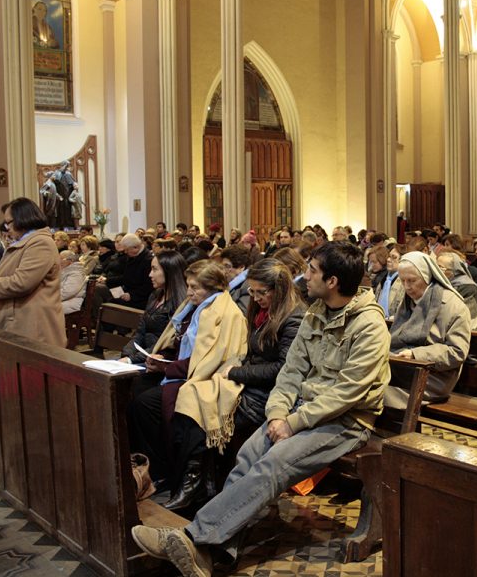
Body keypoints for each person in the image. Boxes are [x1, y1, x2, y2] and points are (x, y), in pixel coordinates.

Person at [131, 242, 391, 575]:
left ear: (333, 281)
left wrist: (293, 422)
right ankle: (211, 554)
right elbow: (291, 373)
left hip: (347, 421)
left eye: (312, 270)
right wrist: (278, 413)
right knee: (249, 455)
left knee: (274, 464)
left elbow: (347, 393)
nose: (305, 275)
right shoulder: (316, 313)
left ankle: (191, 537)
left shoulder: (369, 325)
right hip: (301, 412)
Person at [163, 258, 306, 511]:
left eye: (261, 292)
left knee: (205, 412)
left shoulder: (293, 319)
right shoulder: (262, 311)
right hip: (250, 383)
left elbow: (282, 369)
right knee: (192, 396)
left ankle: (199, 486)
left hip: (270, 394)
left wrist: (237, 372)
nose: (255, 297)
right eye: (252, 291)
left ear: (279, 290)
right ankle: (199, 483)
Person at [128, 260, 248, 488]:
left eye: (195, 287)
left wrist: (166, 367)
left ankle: (170, 473)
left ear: (213, 287)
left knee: (149, 404)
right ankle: (147, 466)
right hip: (181, 369)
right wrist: (162, 357)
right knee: (135, 391)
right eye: (189, 285)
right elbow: (179, 341)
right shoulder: (193, 306)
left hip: (204, 377)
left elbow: (210, 359)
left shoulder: (224, 312)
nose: (189, 292)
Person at [387, 251, 472, 407]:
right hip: (403, 368)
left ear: (426, 276)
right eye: (402, 280)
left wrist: (415, 354)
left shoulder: (452, 305)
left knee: (375, 391)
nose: (406, 286)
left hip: (434, 376)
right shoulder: (407, 301)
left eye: (412, 280)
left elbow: (457, 351)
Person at [0, 198, 66, 347]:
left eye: (9, 222)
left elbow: (21, 283)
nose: (7, 228)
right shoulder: (24, 242)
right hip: (18, 323)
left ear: (23, 218)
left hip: (32, 327)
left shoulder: (40, 243)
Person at [119, 250, 188, 369]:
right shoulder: (155, 295)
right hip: (143, 356)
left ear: (169, 271)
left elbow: (165, 342)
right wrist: (127, 353)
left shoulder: (181, 302)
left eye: (154, 269)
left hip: (159, 361)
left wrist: (132, 359)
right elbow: (140, 333)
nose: (150, 274)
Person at [101, 233, 154, 310]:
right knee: (102, 293)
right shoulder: (133, 256)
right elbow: (127, 277)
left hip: (139, 299)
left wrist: (131, 295)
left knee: (110, 305)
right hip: (126, 290)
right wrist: (107, 281)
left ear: (135, 247)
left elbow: (149, 286)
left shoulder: (147, 260)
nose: (125, 252)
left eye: (126, 250)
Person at [436, 251, 477, 329]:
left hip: (463, 330)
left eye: (441, 268)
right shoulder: (438, 284)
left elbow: (463, 318)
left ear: (454, 271)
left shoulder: (468, 288)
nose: (436, 272)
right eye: (435, 267)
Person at [220, 245, 254, 314]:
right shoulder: (228, 282)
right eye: (222, 266)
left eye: (227, 266)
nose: (223, 271)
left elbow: (241, 315)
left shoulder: (248, 286)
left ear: (241, 267)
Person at [374, 244, 405, 318]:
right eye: (388, 256)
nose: (388, 260)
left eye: (393, 257)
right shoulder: (385, 278)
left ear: (402, 260)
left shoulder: (404, 281)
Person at [59, 250, 87, 315]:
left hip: (72, 302)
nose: (59, 261)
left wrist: (50, 298)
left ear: (71, 260)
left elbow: (68, 292)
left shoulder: (76, 273)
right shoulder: (65, 270)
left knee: (43, 307)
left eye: (61, 259)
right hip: (64, 300)